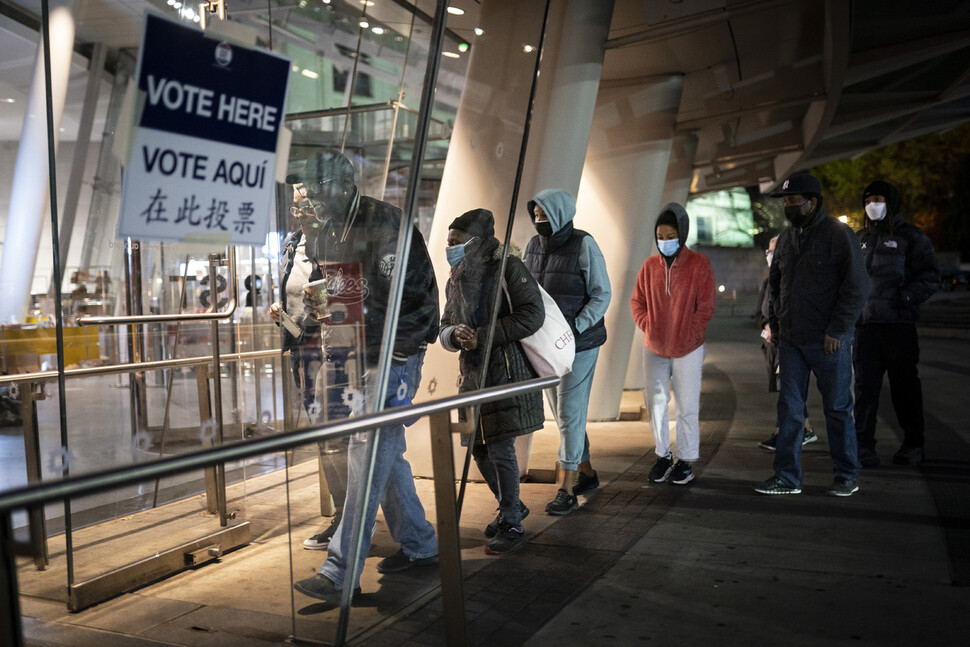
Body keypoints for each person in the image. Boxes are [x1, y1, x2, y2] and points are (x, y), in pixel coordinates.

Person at [292, 149, 441, 604]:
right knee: (384, 455)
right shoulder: (326, 231)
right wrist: (325, 313)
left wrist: (398, 350)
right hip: (356, 353)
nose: (310, 201)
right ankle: (421, 544)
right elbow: (334, 289)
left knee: (366, 449)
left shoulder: (386, 225)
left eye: (316, 191)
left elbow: (415, 300)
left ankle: (340, 571)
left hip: (394, 355)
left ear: (342, 185)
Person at [754, 172, 869, 497]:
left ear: (812, 202)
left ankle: (847, 474)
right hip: (791, 340)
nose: (788, 207)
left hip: (828, 341)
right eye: (786, 202)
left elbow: (857, 286)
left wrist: (838, 329)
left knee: (837, 409)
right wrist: (776, 325)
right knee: (790, 410)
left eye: (793, 201)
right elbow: (775, 284)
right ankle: (787, 478)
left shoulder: (837, 234)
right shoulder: (787, 240)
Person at [440, 208, 545, 554]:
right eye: (448, 241)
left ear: (476, 242)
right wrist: (456, 335)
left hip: (504, 370)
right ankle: (509, 505)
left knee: (500, 448)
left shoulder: (507, 269)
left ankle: (512, 521)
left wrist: (483, 336)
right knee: (474, 447)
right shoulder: (455, 276)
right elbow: (443, 326)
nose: (449, 247)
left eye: (456, 241)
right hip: (470, 375)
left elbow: (533, 313)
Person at [522, 189, 611, 515]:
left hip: (581, 344)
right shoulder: (532, 247)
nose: (538, 221)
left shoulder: (584, 244)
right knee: (562, 415)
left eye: (544, 215)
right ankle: (585, 472)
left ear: (560, 214)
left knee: (570, 413)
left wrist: (574, 328)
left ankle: (567, 487)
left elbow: (602, 295)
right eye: (536, 216)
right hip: (546, 345)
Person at [270, 194, 347, 551]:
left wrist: (311, 316)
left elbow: (345, 295)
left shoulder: (336, 242)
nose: (300, 213)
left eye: (308, 206)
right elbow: (292, 292)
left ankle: (349, 515)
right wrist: (282, 310)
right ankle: (345, 512)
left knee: (335, 436)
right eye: (296, 207)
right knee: (322, 433)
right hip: (300, 347)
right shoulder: (291, 243)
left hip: (328, 348)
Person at [854, 180, 940, 467]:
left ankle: (914, 445)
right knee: (865, 390)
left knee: (905, 389)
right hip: (866, 328)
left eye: (878, 198)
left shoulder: (911, 236)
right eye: (868, 200)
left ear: (891, 201)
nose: (872, 204)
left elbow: (930, 275)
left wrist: (906, 296)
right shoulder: (859, 238)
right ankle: (863, 446)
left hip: (899, 327)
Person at [630, 203, 716, 486]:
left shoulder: (699, 264)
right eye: (661, 236)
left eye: (670, 235)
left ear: (683, 233)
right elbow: (637, 302)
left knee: (686, 403)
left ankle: (686, 460)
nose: (665, 241)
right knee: (654, 402)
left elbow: (705, 306)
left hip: (688, 348)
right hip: (653, 346)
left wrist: (690, 334)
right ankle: (663, 455)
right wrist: (648, 325)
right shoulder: (649, 266)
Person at [756, 235, 816, 450]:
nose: (770, 255)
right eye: (769, 251)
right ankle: (802, 429)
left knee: (788, 389)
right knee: (786, 389)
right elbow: (764, 309)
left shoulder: (791, 278)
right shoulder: (769, 280)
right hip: (773, 342)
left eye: (774, 250)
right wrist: (766, 325)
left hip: (787, 341)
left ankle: (787, 432)